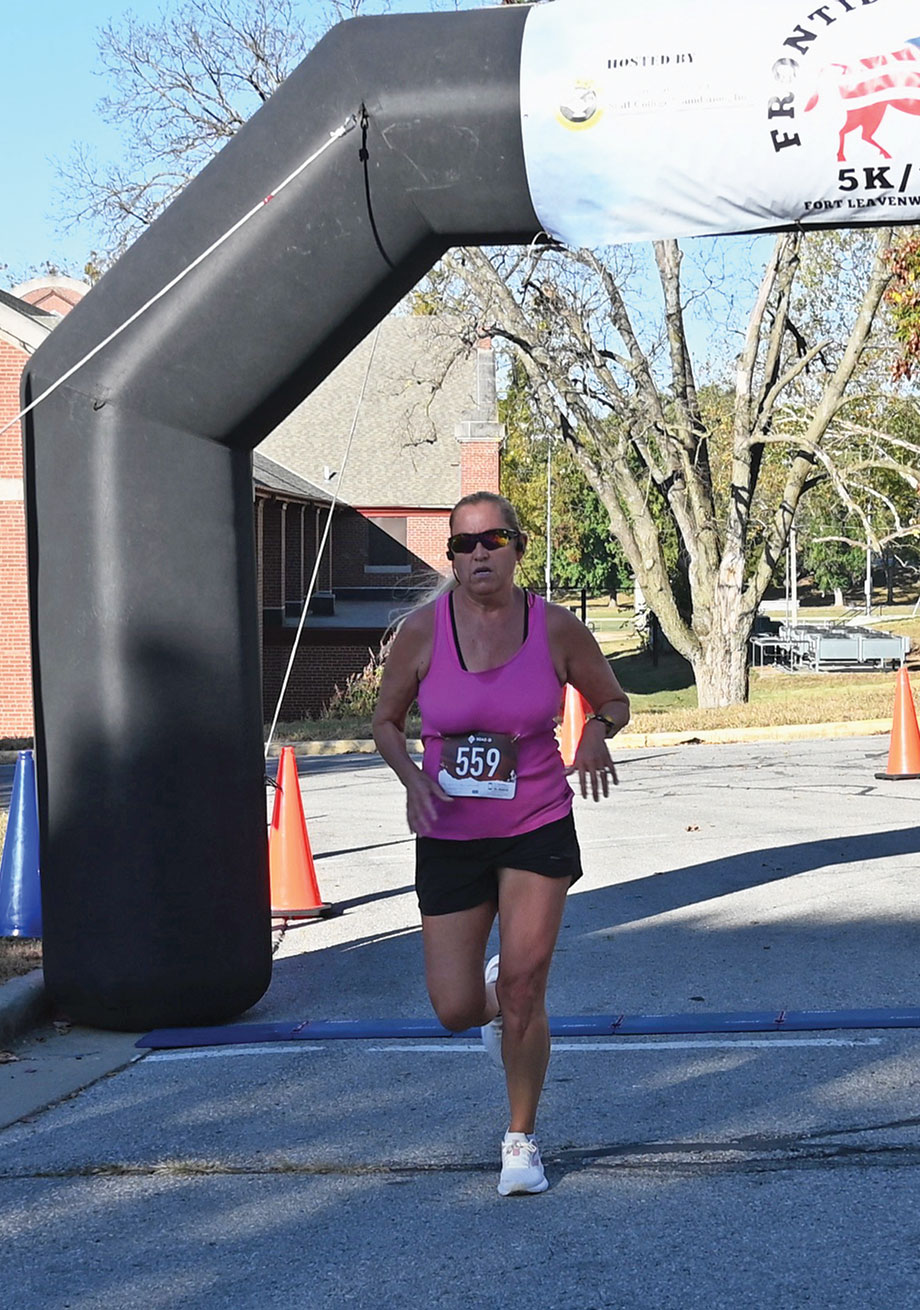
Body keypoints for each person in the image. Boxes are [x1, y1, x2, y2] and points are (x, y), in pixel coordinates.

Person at [372, 490, 629, 1196]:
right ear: (451, 557)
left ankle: (521, 1139)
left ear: (516, 546)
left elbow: (614, 700)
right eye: (464, 544)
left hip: (536, 824)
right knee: (456, 1008)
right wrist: (412, 781)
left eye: (493, 540)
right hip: (450, 833)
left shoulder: (557, 627)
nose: (479, 553)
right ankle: (494, 999)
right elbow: (386, 722)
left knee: (525, 985)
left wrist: (595, 734)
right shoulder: (422, 632)